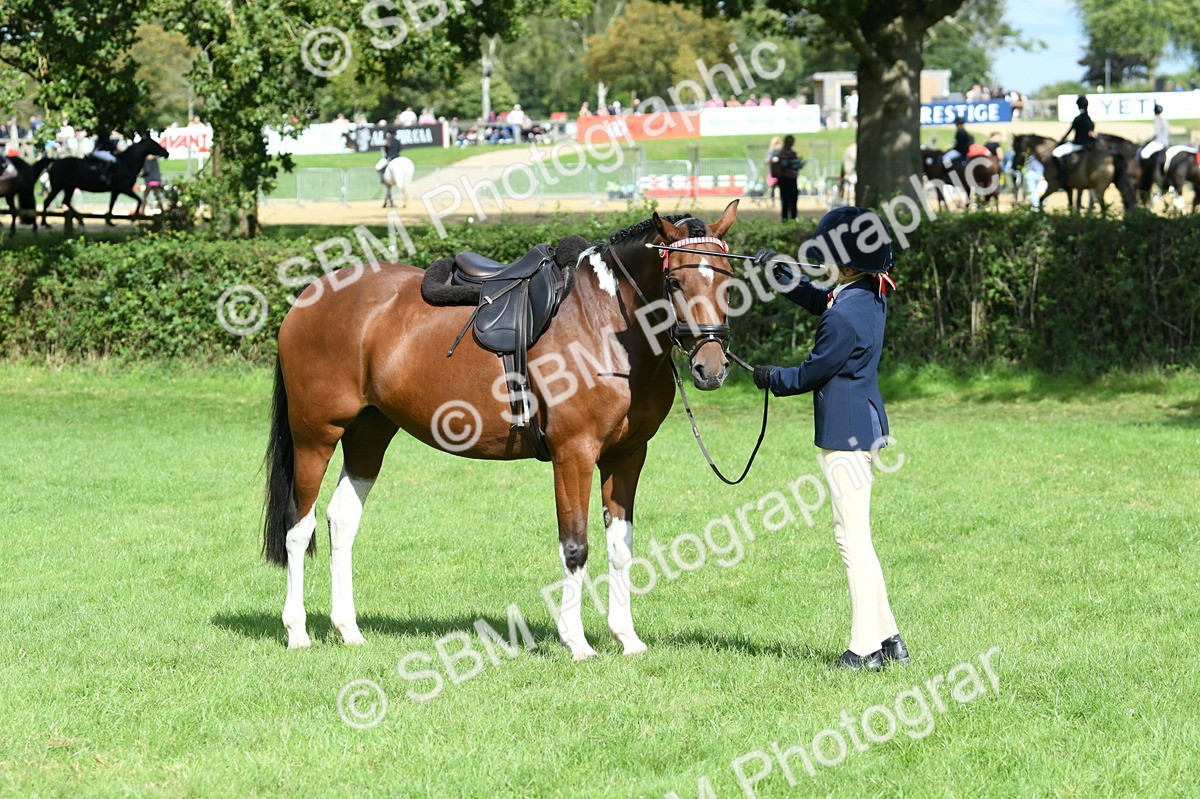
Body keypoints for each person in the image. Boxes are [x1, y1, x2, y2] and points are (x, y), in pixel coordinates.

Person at [751, 206, 908, 671]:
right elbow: (826, 300)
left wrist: (770, 377)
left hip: (845, 436)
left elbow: (812, 372)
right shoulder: (869, 296)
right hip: (866, 423)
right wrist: (782, 276)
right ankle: (890, 637)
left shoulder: (844, 317)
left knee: (850, 541)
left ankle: (864, 650)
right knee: (860, 538)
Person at [1051, 95, 1095, 179]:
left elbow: (1069, 132)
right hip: (1089, 144)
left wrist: (1060, 141)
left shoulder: (1077, 119)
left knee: (1056, 153)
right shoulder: (1089, 119)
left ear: (1078, 106)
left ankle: (1062, 174)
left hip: (1078, 144)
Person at [770, 134, 804, 221]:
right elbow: (796, 165)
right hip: (791, 179)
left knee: (784, 200)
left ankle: (784, 219)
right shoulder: (791, 153)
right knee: (793, 200)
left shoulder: (779, 153)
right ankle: (792, 218)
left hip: (782, 180)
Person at [764, 135, 783, 205]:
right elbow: (767, 160)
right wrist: (772, 160)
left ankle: (782, 202)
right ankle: (773, 202)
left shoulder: (782, 151)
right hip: (773, 172)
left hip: (781, 172)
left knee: (782, 189)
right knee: (773, 188)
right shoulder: (771, 151)